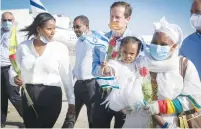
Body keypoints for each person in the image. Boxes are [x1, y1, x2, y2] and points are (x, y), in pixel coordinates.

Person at [106, 17, 201, 128]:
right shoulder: (140, 62)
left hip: (167, 123)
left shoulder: (183, 65)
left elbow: (194, 100)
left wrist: (160, 106)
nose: (157, 46)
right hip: (136, 122)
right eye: (154, 42)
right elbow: (120, 72)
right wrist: (124, 102)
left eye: (163, 44)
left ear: (173, 47)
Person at [9, 12, 75, 128]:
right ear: (38, 29)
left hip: (51, 96)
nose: (53, 32)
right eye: (49, 29)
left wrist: (71, 102)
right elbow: (13, 69)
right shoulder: (23, 47)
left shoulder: (60, 48)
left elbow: (67, 77)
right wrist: (14, 78)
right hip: (28, 96)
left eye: (54, 28)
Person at [92, 1, 134, 128]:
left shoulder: (136, 41)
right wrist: (101, 70)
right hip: (102, 93)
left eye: (118, 17)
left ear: (127, 19)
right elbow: (93, 66)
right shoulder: (102, 40)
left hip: (124, 95)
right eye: (111, 16)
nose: (113, 20)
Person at [62, 15, 108, 128]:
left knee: (93, 118)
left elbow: (105, 54)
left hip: (91, 85)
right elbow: (78, 63)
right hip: (78, 85)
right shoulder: (79, 42)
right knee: (71, 113)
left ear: (86, 26)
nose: (75, 30)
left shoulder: (95, 39)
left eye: (78, 27)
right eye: (74, 27)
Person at [1, 12, 23, 128]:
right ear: (1, 21)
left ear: (13, 20)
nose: (7, 22)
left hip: (10, 68)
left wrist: (19, 72)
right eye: (4, 20)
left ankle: (28, 118)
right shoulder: (0, 32)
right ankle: (1, 121)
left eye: (9, 20)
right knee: (1, 97)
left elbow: (22, 53)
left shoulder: (16, 33)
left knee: (14, 96)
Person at [179, 0, 201, 80]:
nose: (193, 15)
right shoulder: (187, 43)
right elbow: (180, 74)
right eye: (191, 12)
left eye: (198, 12)